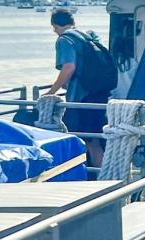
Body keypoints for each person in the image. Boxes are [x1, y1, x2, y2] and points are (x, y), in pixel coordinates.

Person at [46, 9, 112, 167]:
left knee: (89, 142)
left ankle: (100, 178)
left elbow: (69, 67)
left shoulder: (65, 40)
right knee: (96, 139)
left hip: (81, 97)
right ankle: (104, 173)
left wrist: (50, 93)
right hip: (99, 93)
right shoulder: (87, 36)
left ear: (55, 26)